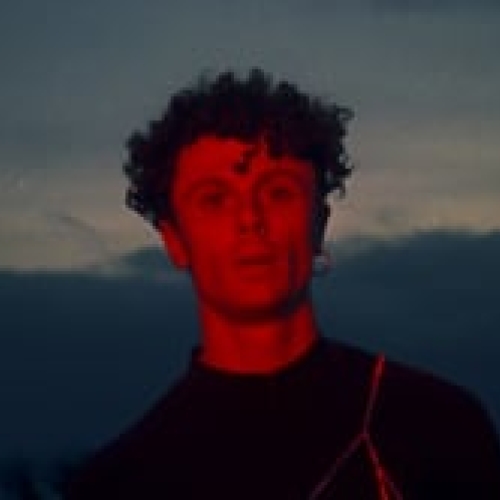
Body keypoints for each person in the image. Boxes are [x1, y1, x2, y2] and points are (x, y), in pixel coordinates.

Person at [64, 68, 500, 499]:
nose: (250, 219)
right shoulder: (120, 484)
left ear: (318, 224)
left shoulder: (439, 429)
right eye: (214, 199)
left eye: (278, 192)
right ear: (175, 240)